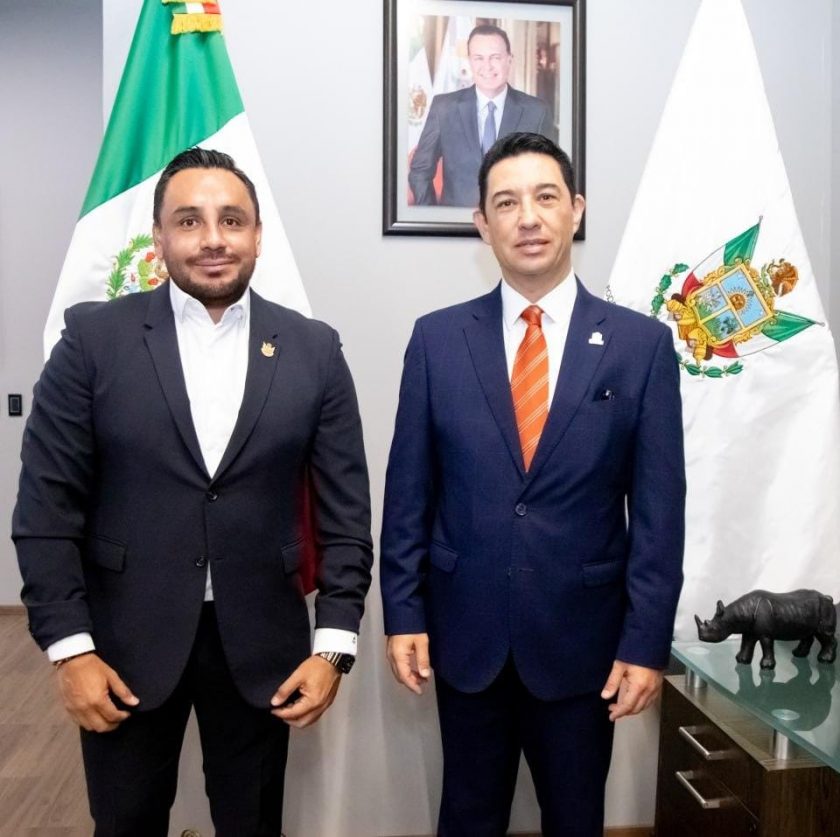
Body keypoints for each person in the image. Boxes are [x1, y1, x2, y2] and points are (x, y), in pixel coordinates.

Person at [13, 148, 373, 836]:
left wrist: (332, 646)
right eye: (189, 220)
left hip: (263, 648)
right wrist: (70, 649)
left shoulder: (314, 350)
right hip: (122, 648)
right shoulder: (91, 341)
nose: (213, 238)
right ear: (159, 236)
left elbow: (346, 517)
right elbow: (45, 511)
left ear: (258, 235)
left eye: (231, 220)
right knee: (125, 824)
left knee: (253, 824)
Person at [381, 132, 685, 836]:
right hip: (466, 636)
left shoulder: (641, 346)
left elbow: (660, 512)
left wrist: (645, 642)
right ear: (481, 224)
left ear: (575, 209)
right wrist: (404, 612)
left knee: (576, 819)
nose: (528, 218)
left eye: (545, 197)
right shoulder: (436, 340)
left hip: (584, 643)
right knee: (467, 816)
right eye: (506, 203)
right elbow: (408, 496)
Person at [409, 24, 556, 208]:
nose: (487, 66)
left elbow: (550, 176)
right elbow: (420, 170)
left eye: (495, 57)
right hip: (455, 223)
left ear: (509, 60)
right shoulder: (444, 108)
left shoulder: (537, 112)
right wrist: (434, 217)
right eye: (479, 58)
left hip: (515, 222)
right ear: (470, 61)